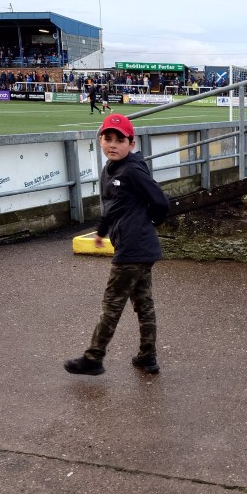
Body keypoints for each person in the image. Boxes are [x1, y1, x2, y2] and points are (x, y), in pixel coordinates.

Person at [64, 114, 170, 377]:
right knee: (143, 303)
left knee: (112, 303)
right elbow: (112, 207)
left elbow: (160, 201)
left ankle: (94, 357)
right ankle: (147, 357)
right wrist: (101, 232)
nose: (112, 144)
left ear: (131, 144)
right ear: (100, 140)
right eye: (107, 138)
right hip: (137, 247)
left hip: (134, 248)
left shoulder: (132, 170)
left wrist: (150, 223)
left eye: (119, 140)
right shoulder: (110, 169)